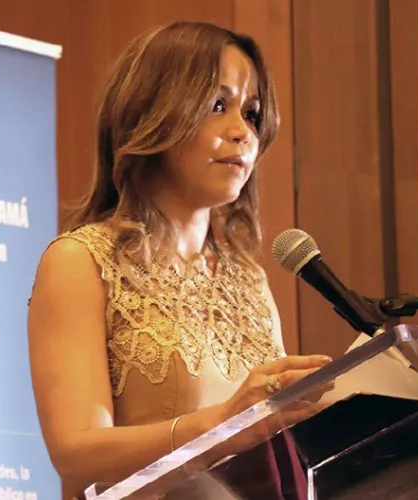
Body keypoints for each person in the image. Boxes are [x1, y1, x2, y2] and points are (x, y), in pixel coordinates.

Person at [27, 21, 333, 500]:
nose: (242, 133)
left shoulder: (248, 278)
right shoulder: (81, 260)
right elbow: (75, 453)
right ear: (153, 112)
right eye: (217, 106)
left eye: (252, 114)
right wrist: (224, 425)